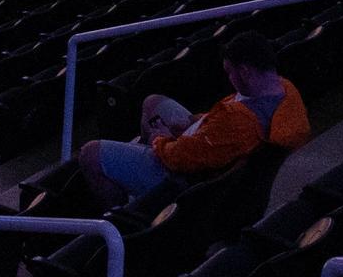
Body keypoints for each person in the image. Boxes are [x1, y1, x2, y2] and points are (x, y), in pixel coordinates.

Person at [76, 31, 309, 208]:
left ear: (246, 71)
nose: (229, 79)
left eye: (230, 72)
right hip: (205, 140)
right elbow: (221, 124)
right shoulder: (283, 88)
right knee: (152, 102)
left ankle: (132, 207)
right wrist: (193, 122)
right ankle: (137, 169)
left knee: (90, 154)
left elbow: (182, 159)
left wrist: (162, 140)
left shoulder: (242, 122)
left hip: (181, 175)